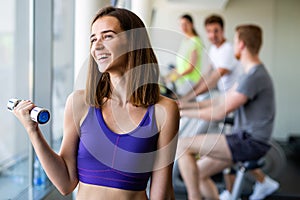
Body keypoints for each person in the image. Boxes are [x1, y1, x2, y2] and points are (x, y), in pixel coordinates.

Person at [12, 6, 179, 200]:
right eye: (93, 39)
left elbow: (163, 192)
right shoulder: (79, 103)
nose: (97, 46)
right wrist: (33, 131)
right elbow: (65, 183)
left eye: (107, 36)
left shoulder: (163, 110)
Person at [176, 24, 279, 200]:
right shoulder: (249, 74)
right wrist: (183, 105)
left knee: (182, 145)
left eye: (236, 40)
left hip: (250, 142)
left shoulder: (254, 76)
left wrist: (183, 113)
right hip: (244, 138)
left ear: (241, 45)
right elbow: (219, 100)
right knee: (198, 172)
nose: (233, 45)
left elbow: (219, 113)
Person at [166, 14, 203, 96]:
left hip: (191, 80)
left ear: (192, 24)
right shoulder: (185, 41)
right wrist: (169, 75)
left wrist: (175, 77)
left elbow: (191, 67)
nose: (183, 27)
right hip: (182, 80)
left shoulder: (195, 41)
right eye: (181, 24)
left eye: (186, 24)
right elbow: (181, 65)